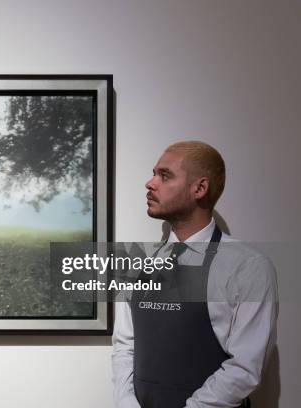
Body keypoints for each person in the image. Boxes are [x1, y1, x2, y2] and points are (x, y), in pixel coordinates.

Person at [111, 141, 278, 408]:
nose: (150, 183)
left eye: (164, 175)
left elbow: (246, 367)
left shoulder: (248, 267)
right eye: (153, 173)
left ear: (200, 188)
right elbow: (124, 346)